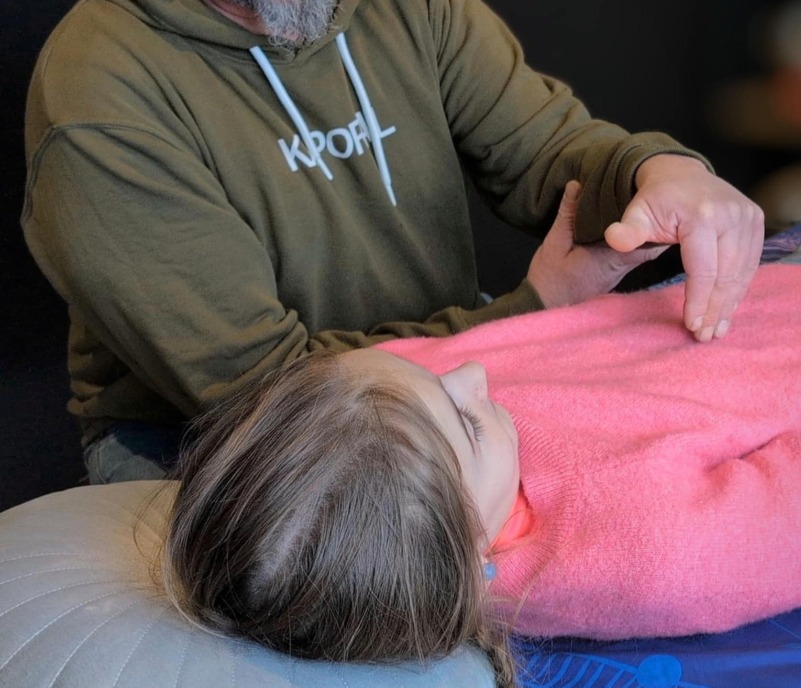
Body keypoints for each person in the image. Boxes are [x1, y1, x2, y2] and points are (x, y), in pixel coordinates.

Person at [23, 0, 764, 485]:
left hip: (455, 384)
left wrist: (658, 176)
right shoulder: (97, 93)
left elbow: (545, 152)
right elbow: (262, 391)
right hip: (219, 446)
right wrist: (530, 315)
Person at [162, 255, 801, 686]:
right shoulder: (652, 553)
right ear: (467, 555)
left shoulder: (382, 411)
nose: (472, 372)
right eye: (467, 423)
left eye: (430, 370)